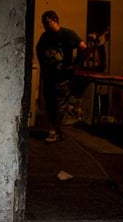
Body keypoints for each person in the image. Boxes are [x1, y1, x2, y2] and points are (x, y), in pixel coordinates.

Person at [35, 10, 87, 142]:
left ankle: (54, 130)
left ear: (54, 20)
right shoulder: (45, 37)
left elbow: (83, 46)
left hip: (63, 77)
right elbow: (39, 50)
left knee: (59, 105)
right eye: (43, 23)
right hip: (49, 77)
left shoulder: (67, 34)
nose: (45, 26)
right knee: (50, 104)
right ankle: (55, 130)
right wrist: (43, 66)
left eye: (46, 22)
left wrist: (76, 65)